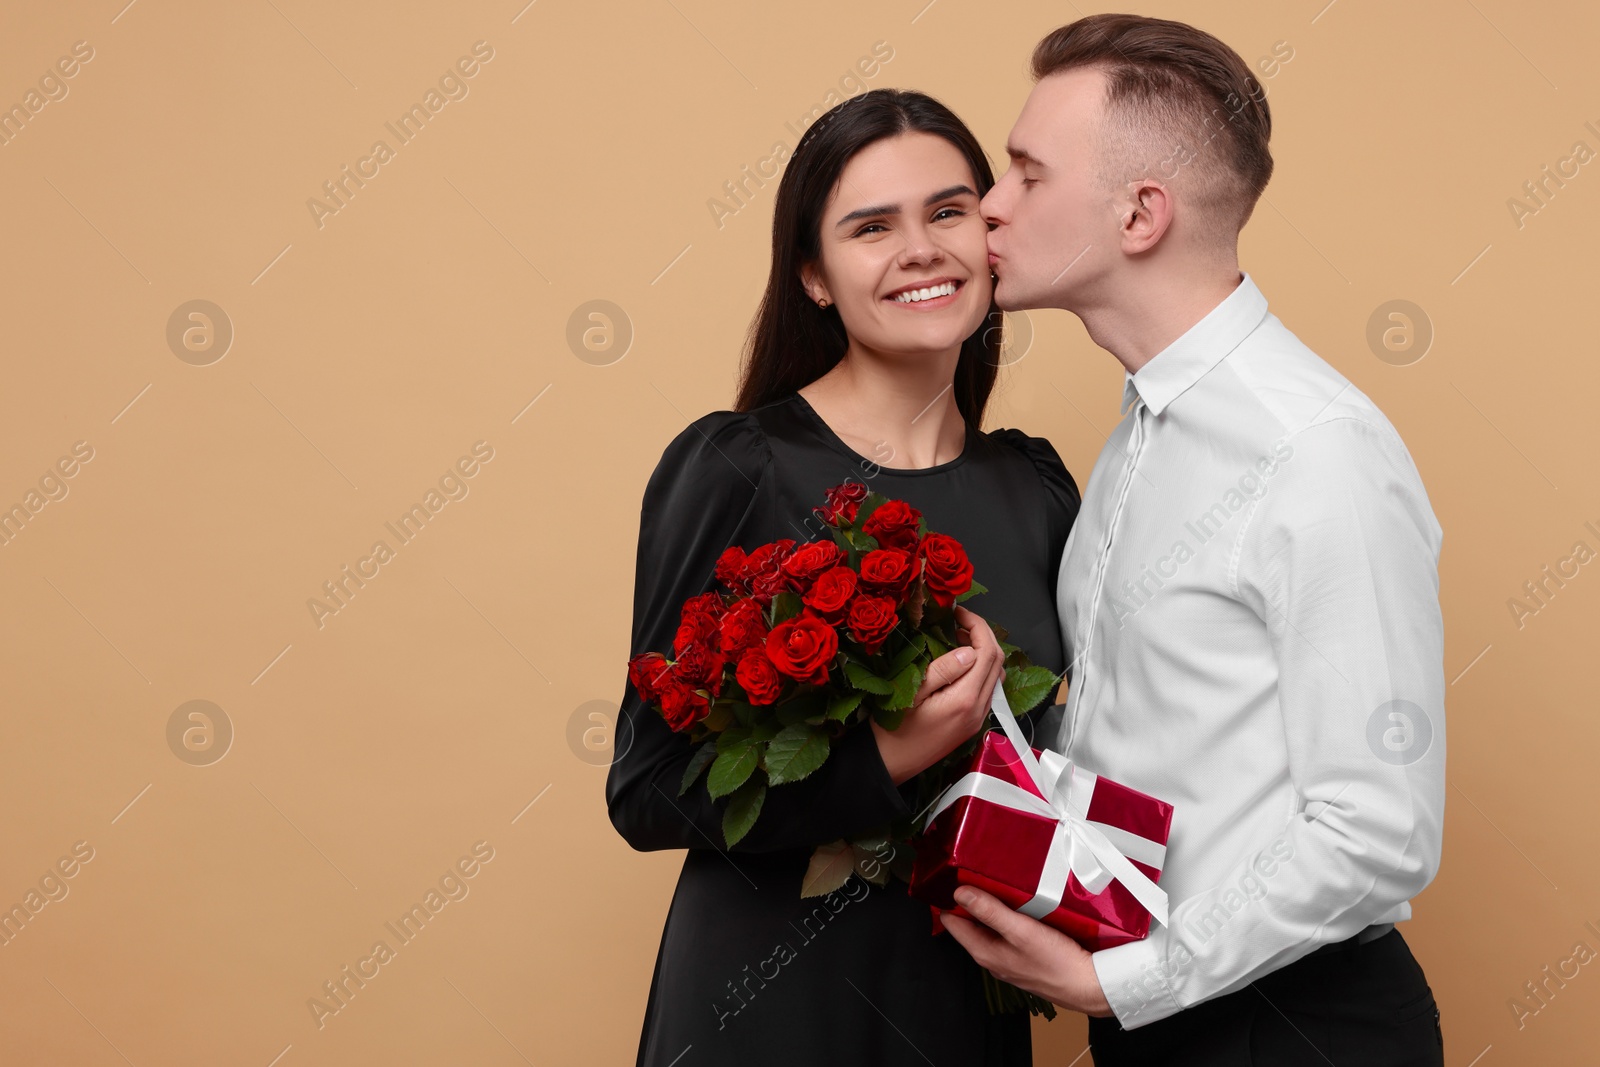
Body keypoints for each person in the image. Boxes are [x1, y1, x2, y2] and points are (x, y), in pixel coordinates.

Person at [933, 14, 1448, 1066]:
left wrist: (1120, 980)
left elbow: (1379, 828)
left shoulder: (1316, 451)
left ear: (1139, 214)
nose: (989, 202)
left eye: (1026, 172)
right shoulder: (1142, 427)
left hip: (1296, 1028)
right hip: (1159, 1016)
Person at [605, 89, 1082, 1066]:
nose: (921, 248)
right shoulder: (738, 464)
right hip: (771, 1005)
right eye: (872, 227)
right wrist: (891, 754)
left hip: (965, 1000)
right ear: (815, 276)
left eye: (948, 210)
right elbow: (646, 789)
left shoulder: (1035, 485)